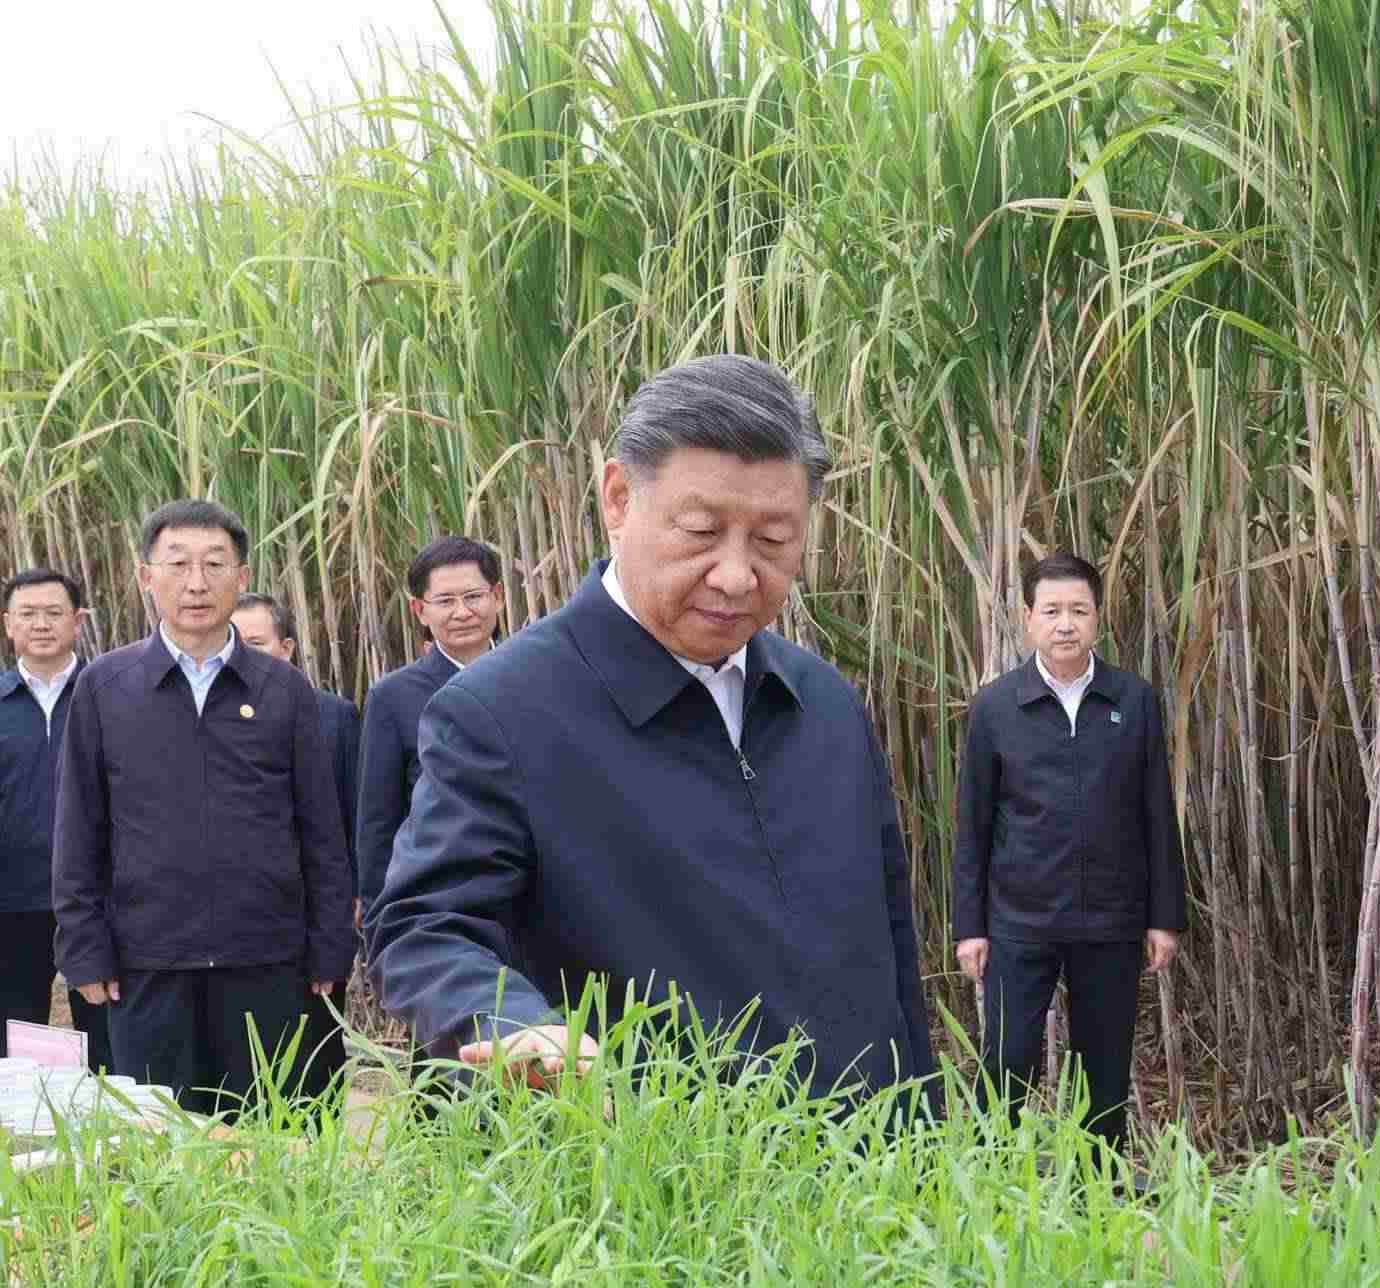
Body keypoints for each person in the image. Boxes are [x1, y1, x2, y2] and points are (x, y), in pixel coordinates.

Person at [367, 354, 934, 1101]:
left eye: (773, 540)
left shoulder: (823, 703)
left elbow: (889, 954)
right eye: (700, 531)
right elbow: (424, 926)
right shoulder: (500, 712)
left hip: (865, 1155)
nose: (736, 575)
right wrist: (509, 1024)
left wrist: (924, 1127)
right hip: (650, 1155)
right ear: (618, 498)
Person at [52, 500, 354, 1115]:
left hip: (267, 958)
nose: (196, 583)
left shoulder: (283, 689)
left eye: (215, 564)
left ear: (241, 577)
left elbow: (321, 828)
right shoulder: (106, 687)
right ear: (147, 576)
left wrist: (330, 942)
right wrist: (84, 946)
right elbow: (79, 828)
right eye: (178, 564)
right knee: (164, 1137)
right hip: (147, 961)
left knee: (272, 1131)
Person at [951, 553, 1186, 1156]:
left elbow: (1157, 813)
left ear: (1098, 619)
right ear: (1028, 618)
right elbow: (973, 824)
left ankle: (1095, 1187)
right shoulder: (997, 707)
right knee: (1008, 1061)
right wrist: (970, 927)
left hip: (1110, 918)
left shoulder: (1132, 700)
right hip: (1020, 919)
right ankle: (991, 1181)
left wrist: (1163, 917)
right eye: (1051, 610)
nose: (1065, 624)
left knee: (1103, 1072)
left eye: (1078, 610)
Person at [235, 593, 362, 1100]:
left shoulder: (334, 715)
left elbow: (355, 807)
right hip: (242, 912)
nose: (242, 653)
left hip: (318, 905)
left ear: (286, 648)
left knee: (316, 1042)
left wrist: (355, 892)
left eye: (256, 643)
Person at [355, 537, 503, 910]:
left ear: (498, 596)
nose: (462, 612)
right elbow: (377, 822)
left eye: (474, 597)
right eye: (445, 601)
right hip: (441, 897)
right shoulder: (392, 697)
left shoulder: (533, 676)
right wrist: (379, 914)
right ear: (419, 610)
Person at [0, 567, 109, 1066]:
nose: (41, 624)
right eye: (27, 614)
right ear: (8, 623)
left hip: (99, 896)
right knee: (13, 1033)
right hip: (12, 898)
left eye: (53, 613)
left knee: (107, 1032)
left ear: (78, 621)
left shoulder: (110, 694)